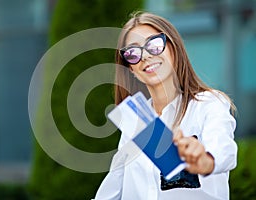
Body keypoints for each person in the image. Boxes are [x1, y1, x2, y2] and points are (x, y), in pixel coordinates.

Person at [93, 11, 237, 200]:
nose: (144, 56)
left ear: (174, 48)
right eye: (133, 52)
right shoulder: (136, 119)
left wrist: (205, 160)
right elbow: (114, 187)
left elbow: (223, 149)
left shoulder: (209, 104)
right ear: (131, 69)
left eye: (154, 44)